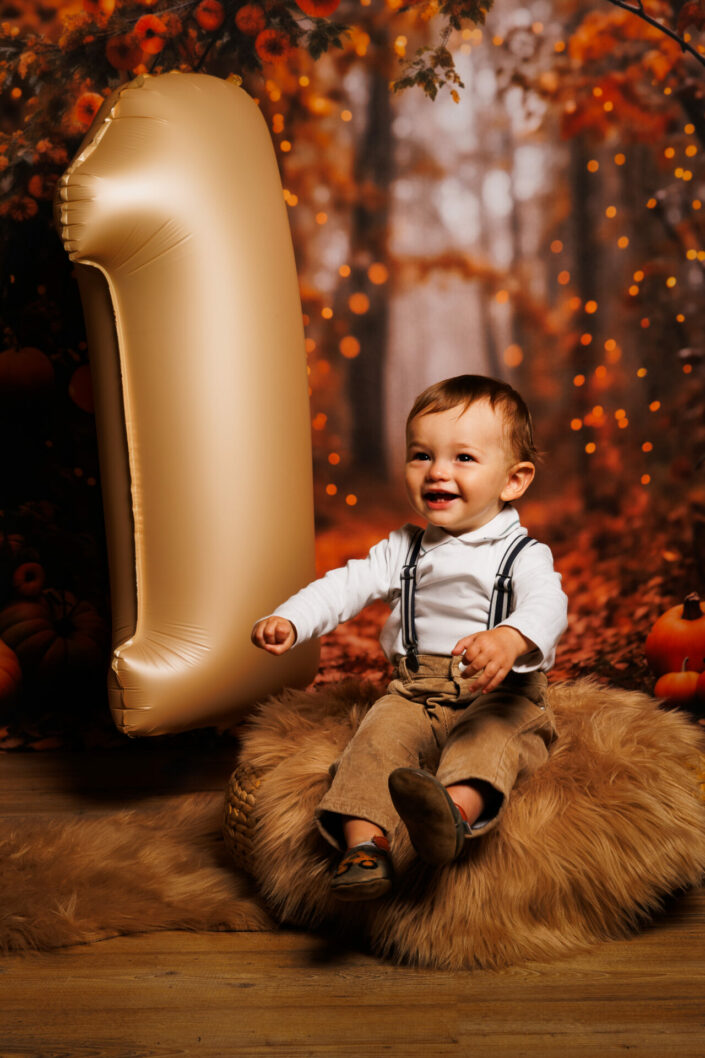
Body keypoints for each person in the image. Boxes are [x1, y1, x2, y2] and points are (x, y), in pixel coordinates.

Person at [251, 374, 568, 901]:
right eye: (421, 455)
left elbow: (547, 605)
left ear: (513, 481)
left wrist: (511, 638)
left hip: (497, 692)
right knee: (373, 745)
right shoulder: (405, 547)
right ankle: (365, 847)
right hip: (414, 691)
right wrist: (292, 619)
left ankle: (450, 816)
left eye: (463, 458)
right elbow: (344, 586)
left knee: (491, 743)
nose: (437, 471)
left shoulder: (523, 554)